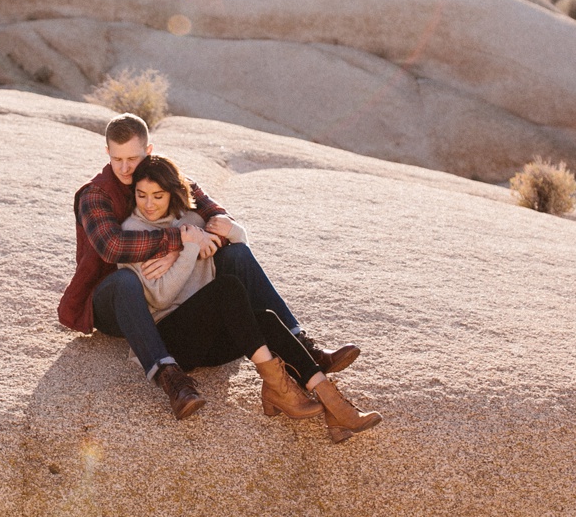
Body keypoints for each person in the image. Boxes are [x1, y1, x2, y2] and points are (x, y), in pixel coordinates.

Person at [57, 112, 362, 422]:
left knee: (236, 257)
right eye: (117, 158)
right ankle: (170, 379)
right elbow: (114, 247)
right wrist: (180, 240)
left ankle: (303, 348)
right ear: (106, 152)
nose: (125, 168)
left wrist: (208, 232)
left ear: (149, 151)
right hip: (114, 300)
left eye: (133, 158)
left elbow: (217, 217)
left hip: (166, 293)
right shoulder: (94, 195)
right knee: (124, 281)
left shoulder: (163, 178)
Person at [121, 154, 381, 442]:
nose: (148, 203)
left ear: (173, 193)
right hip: (174, 340)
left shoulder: (194, 220)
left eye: (158, 195)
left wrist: (235, 231)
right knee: (227, 288)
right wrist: (189, 249)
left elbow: (240, 252)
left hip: (212, 341)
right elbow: (159, 298)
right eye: (141, 195)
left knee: (266, 320)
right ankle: (276, 384)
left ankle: (334, 405)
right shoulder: (133, 233)